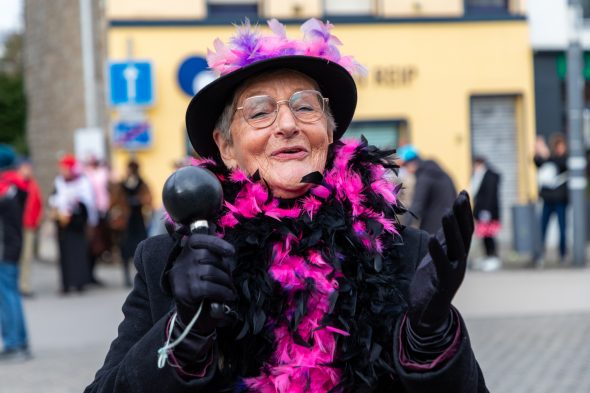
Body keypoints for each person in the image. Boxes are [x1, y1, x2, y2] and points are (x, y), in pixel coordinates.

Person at [86, 19, 487, 392]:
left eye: (306, 106)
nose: (288, 124)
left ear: (329, 132)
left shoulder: (402, 253)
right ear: (226, 147)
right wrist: (184, 331)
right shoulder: (167, 265)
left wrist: (429, 334)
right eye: (260, 112)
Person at [0, 144, 32, 362]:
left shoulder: (4, 189)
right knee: (11, 295)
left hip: (4, 248)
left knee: (8, 296)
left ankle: (14, 343)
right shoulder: (16, 186)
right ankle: (19, 340)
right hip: (12, 245)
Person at [49, 154, 98, 294]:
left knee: (78, 254)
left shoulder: (82, 182)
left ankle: (79, 282)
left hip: (77, 223)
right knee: (64, 255)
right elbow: (53, 198)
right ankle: (66, 283)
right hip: (63, 225)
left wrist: (76, 206)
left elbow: (88, 202)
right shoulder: (59, 182)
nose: (63, 171)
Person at [109, 160, 152, 287]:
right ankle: (127, 277)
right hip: (125, 222)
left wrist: (139, 200)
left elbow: (148, 199)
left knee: (140, 249)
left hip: (138, 220)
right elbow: (114, 200)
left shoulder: (142, 183)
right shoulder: (122, 184)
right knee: (125, 250)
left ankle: (141, 277)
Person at [397, 144, 457, 235]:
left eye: (405, 166)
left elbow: (417, 206)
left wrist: (403, 229)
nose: (405, 171)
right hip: (450, 225)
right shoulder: (441, 173)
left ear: (412, 163)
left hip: (433, 230)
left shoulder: (424, 177)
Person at [533, 133, 568, 265]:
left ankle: (563, 254)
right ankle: (540, 255)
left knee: (562, 228)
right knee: (543, 228)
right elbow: (538, 162)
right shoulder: (551, 158)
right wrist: (538, 151)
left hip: (560, 201)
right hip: (547, 200)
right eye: (558, 147)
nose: (560, 150)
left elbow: (559, 164)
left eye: (562, 147)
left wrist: (546, 154)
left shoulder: (565, 159)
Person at [84, 156, 113, 285]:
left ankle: (92, 273)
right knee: (92, 244)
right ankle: (88, 273)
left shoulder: (103, 172)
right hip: (90, 214)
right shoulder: (85, 174)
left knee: (99, 245)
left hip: (102, 211)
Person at [470, 156, 501, 271]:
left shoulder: (489, 176)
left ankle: (493, 257)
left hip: (488, 212)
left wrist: (486, 211)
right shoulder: (480, 175)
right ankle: (488, 257)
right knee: (484, 236)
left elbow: (489, 196)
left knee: (489, 236)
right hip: (482, 212)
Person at [18, 159, 44, 297]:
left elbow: (38, 203)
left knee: (26, 257)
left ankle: (24, 285)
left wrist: (37, 220)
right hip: (15, 227)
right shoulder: (15, 185)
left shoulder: (33, 185)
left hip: (28, 226)